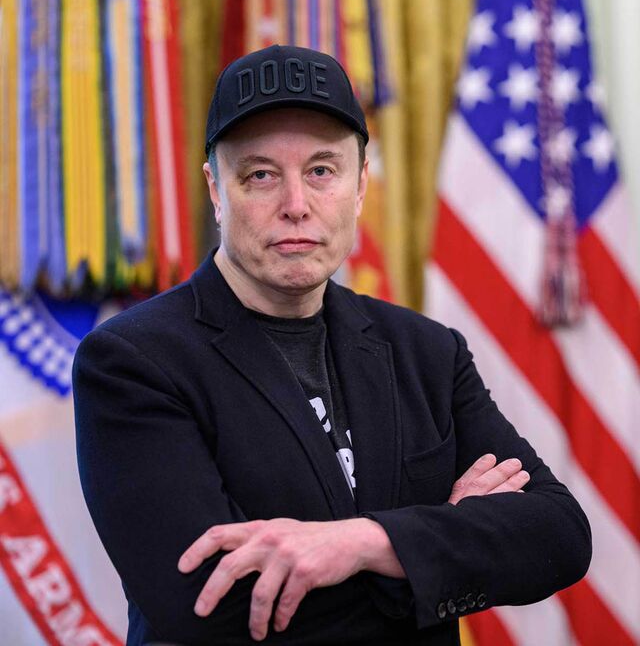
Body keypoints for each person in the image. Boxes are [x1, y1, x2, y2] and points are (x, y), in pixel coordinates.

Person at [73, 44, 591, 646]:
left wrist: (362, 543)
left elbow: (558, 535)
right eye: (261, 174)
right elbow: (210, 610)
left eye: (322, 170)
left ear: (360, 185)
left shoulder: (427, 352)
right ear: (216, 190)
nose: (296, 206)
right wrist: (439, 543)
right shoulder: (133, 362)